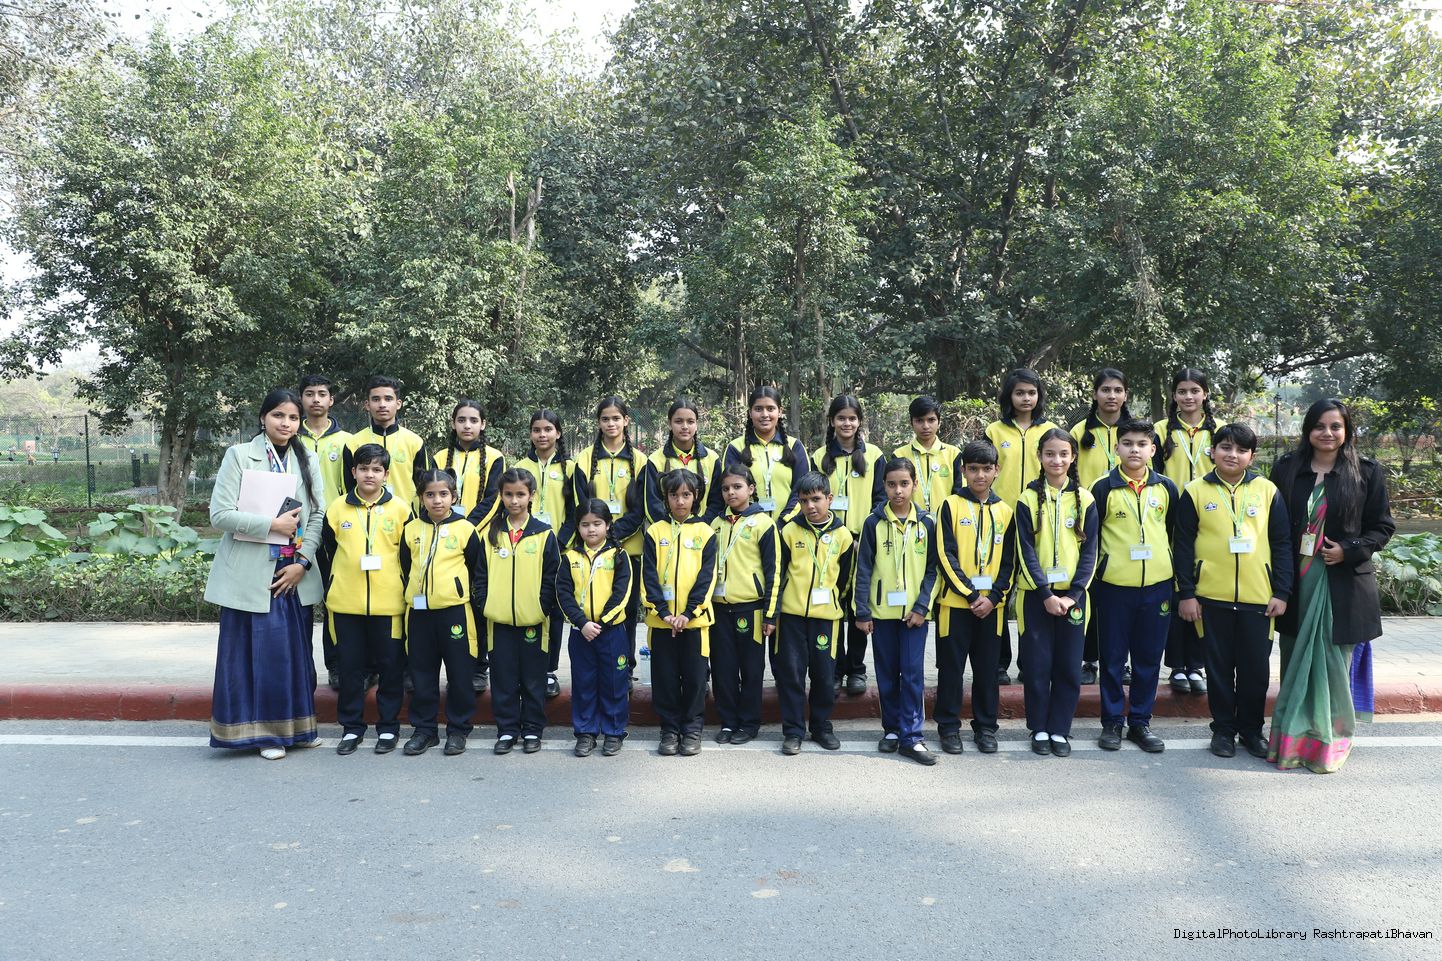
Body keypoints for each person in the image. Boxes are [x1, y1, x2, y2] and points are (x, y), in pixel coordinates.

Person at [1268, 399, 1395, 773]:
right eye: (1319, 426)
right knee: (1296, 657)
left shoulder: (1366, 472)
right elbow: (1273, 527)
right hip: (1296, 582)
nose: (1327, 433)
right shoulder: (1287, 469)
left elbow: (1382, 527)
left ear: (1347, 430)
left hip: (1342, 584)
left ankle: (1330, 739)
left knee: (1333, 663)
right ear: (1308, 429)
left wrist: (1349, 549)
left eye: (1336, 426)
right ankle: (1292, 738)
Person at [205, 389, 326, 760]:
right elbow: (220, 515)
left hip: (293, 573)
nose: (286, 423)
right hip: (251, 574)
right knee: (259, 656)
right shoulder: (240, 455)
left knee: (295, 656)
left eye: (293, 418)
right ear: (263, 418)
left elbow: (317, 515)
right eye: (278, 415)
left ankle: (299, 730)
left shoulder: (307, 457)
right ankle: (266, 736)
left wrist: (302, 562)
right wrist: (271, 525)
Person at [1174, 424, 1292, 761]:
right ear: (1212, 451)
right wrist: (1187, 593)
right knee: (1219, 670)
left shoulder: (1267, 491)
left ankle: (1252, 731)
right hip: (1211, 599)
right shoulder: (1195, 491)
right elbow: (1182, 546)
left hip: (1259, 599)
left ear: (1252, 457)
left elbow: (1282, 543)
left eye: (1241, 450)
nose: (1232, 455)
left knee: (1255, 672)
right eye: (1225, 447)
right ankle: (1224, 730)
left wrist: (1282, 591)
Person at [1088, 419, 1178, 753]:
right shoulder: (1102, 488)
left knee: (1148, 659)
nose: (1134, 450)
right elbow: (1091, 538)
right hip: (1114, 586)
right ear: (1116, 448)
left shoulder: (1166, 488)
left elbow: (1173, 532)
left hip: (1157, 586)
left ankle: (1140, 722)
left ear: (1153, 449)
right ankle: (1112, 722)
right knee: (1112, 659)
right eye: (1127, 443)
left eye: (1142, 444)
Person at [320, 442, 412, 756]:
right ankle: (351, 728)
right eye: (363, 469)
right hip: (345, 603)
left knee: (390, 668)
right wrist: (334, 584)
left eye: (376, 469)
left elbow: (408, 555)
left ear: (386, 475)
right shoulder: (337, 509)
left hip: (389, 604)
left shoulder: (401, 509)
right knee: (350, 669)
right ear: (353, 472)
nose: (369, 474)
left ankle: (388, 727)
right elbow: (328, 551)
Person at [1012, 428, 1099, 758]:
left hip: (1074, 598)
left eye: (1064, 454)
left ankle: (1060, 728)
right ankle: (1039, 727)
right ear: (1039, 456)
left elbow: (1091, 552)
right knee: (1037, 666)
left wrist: (1073, 594)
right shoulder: (1026, 499)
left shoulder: (1086, 499)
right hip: (1036, 597)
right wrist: (1046, 593)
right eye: (1050, 454)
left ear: (1073, 457)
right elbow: (1025, 551)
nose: (1057, 460)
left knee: (1068, 666)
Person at [854, 459, 940, 765]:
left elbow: (933, 570)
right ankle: (891, 729)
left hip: (914, 616)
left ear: (915, 484)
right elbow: (863, 569)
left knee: (913, 674)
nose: (898, 491)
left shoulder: (927, 523)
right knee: (887, 674)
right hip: (882, 614)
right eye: (891, 484)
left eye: (904, 484)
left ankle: (912, 736)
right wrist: (863, 611)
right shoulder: (873, 523)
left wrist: (922, 607)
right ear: (884, 486)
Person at [472, 467, 561, 755]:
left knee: (533, 679)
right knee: (504, 679)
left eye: (520, 494)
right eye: (508, 494)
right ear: (501, 495)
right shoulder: (492, 534)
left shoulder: (543, 534)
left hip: (534, 620)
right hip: (498, 622)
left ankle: (532, 729)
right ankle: (507, 730)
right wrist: (485, 604)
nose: (514, 501)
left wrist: (541, 606)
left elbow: (552, 576)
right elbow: (480, 575)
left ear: (531, 496)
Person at [935, 440, 1016, 754]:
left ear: (997, 470)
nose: (980, 475)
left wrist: (993, 598)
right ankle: (948, 727)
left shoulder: (1006, 512)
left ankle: (985, 728)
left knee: (987, 671)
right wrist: (970, 595)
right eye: (973, 469)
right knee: (951, 670)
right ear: (963, 471)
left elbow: (1010, 562)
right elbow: (945, 555)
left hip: (992, 609)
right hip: (955, 605)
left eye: (986, 469)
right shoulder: (950, 505)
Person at [985, 368, 1060, 686]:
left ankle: (1031, 661)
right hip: (1001, 519)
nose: (1026, 398)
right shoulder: (994, 430)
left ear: (1039, 396)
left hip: (1040, 519)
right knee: (1000, 590)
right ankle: (999, 662)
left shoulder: (1050, 430)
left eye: (1031, 392)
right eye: (1019, 393)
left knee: (1033, 591)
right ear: (1009, 396)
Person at [399, 469, 481, 757]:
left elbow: (475, 569)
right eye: (430, 495)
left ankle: (458, 730)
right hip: (419, 613)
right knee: (422, 674)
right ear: (421, 498)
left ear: (454, 496)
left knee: (459, 674)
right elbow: (405, 567)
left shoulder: (466, 529)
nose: (437, 500)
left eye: (443, 494)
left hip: (455, 612)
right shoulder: (411, 529)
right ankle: (425, 730)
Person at [772, 471, 854, 756]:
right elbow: (778, 574)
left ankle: (821, 727)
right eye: (804, 500)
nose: (810, 506)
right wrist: (775, 612)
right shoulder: (788, 531)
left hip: (826, 619)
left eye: (816, 499)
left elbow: (845, 580)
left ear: (829, 499)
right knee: (791, 675)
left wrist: (831, 602)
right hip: (791, 617)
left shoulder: (843, 536)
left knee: (823, 675)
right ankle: (793, 731)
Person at [811, 394, 886, 696]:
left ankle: (856, 669)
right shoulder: (819, 456)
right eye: (841, 418)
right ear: (832, 421)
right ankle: (834, 668)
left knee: (857, 607)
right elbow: (812, 498)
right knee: (832, 607)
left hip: (860, 542)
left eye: (852, 418)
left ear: (859, 422)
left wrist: (863, 536)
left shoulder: (875, 455)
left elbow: (881, 499)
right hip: (828, 541)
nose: (847, 423)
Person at [640, 469, 718, 756]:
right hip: (662, 623)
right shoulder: (655, 531)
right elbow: (648, 576)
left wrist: (688, 613)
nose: (680, 501)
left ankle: (693, 729)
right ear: (666, 497)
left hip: (694, 623)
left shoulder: (705, 532)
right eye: (674, 495)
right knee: (666, 679)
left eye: (686, 495)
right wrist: (664, 613)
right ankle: (669, 729)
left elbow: (707, 578)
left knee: (695, 679)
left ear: (695, 497)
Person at [572, 397, 648, 678]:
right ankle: (597, 667)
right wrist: (600, 535)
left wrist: (612, 535)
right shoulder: (584, 459)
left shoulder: (640, 460)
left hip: (629, 550)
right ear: (598, 423)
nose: (611, 423)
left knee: (625, 611)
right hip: (592, 551)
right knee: (594, 608)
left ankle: (624, 669)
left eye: (616, 418)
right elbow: (581, 504)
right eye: (605, 419)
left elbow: (640, 509)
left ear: (626, 421)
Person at [435, 398, 505, 694]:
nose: (467, 425)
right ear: (453, 424)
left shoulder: (495, 457)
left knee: (478, 601)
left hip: (479, 540)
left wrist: (465, 528)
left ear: (483, 424)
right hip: (445, 541)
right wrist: (451, 526)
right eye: (461, 420)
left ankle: (479, 666)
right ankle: (452, 665)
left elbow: (494, 499)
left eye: (473, 420)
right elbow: (432, 494)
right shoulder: (440, 457)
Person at [1154, 368, 1217, 696]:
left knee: (1201, 585)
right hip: (1171, 516)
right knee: (1177, 589)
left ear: (1205, 393)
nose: (1188, 396)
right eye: (1182, 391)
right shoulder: (1160, 430)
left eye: (1195, 390)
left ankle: (1197, 664)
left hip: (1212, 515)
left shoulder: (1218, 430)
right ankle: (1177, 665)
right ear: (1174, 395)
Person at [708, 466, 781, 745]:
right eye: (726, 488)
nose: (731, 493)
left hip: (751, 609)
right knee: (723, 669)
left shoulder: (764, 524)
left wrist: (770, 614)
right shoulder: (715, 525)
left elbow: (774, 572)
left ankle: (749, 723)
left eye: (737, 487)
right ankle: (728, 722)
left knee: (751, 670)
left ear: (750, 489)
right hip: (719, 608)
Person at [557, 499, 633, 757]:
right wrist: (582, 623)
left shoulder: (619, 556)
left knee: (614, 684)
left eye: (597, 523)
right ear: (577, 527)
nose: (591, 529)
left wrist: (601, 623)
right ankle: (585, 732)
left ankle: (613, 732)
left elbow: (622, 593)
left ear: (608, 525)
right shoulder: (570, 558)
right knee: (584, 683)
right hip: (581, 634)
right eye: (585, 524)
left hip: (611, 632)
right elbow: (563, 594)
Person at [1072, 367, 1133, 685]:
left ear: (1126, 395)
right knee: (1091, 591)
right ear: (1095, 394)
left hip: (1127, 521)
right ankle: (1088, 659)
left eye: (1118, 390)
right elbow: (1070, 475)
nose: (1112, 395)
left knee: (1121, 596)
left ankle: (1120, 661)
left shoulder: (1134, 430)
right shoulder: (1080, 431)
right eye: (1106, 389)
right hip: (1088, 521)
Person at [514, 408, 579, 699]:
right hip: (526, 547)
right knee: (526, 604)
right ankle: (525, 668)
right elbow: (512, 507)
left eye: (548, 429)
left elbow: (576, 511)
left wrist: (559, 541)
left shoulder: (571, 468)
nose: (542, 435)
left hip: (559, 548)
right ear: (530, 434)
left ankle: (549, 670)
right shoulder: (520, 466)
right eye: (537, 430)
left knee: (553, 609)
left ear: (558, 433)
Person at [297, 373, 352, 691]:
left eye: (321, 394)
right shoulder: (291, 438)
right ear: (301, 399)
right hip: (296, 531)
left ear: (331, 400)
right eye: (309, 393)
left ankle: (337, 665)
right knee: (299, 601)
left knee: (335, 601)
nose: (316, 399)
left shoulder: (347, 441)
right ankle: (301, 668)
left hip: (334, 532)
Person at [724, 386, 811, 523]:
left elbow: (802, 489)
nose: (765, 414)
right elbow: (731, 491)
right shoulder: (735, 448)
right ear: (750, 413)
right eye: (758, 409)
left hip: (789, 527)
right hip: (748, 527)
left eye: (770, 409)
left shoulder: (795, 446)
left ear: (780, 411)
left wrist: (784, 522)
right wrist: (751, 524)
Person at [342, 376, 431, 508]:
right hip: (365, 515)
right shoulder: (353, 443)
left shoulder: (414, 442)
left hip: (405, 516)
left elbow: (424, 486)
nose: (382, 404)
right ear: (367, 405)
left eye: (388, 399)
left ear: (398, 404)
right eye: (376, 399)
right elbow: (348, 487)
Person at [644, 398, 723, 524]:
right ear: (669, 424)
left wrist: (700, 526)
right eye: (678, 421)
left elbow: (717, 502)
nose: (685, 426)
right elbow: (653, 504)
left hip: (703, 531)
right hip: (667, 531)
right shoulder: (655, 460)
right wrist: (670, 527)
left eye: (690, 422)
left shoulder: (712, 459)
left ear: (696, 424)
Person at [892, 395, 963, 518]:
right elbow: (894, 492)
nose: (925, 426)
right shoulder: (899, 455)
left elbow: (959, 493)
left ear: (939, 422)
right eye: (919, 420)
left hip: (946, 521)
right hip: (911, 522)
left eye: (931, 420)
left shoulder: (954, 454)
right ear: (911, 422)